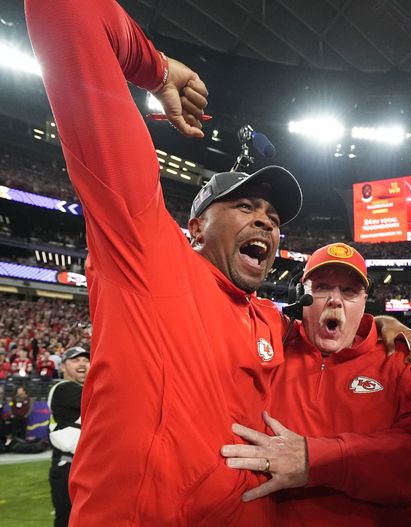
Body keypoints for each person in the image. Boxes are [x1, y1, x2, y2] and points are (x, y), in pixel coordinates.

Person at [26, 0, 302, 524]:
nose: (266, 221)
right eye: (245, 206)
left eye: (273, 216)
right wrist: (152, 67)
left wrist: (380, 326)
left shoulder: (271, 320)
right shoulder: (147, 251)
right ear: (196, 226)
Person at [221, 243, 411, 526]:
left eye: (349, 291)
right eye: (322, 287)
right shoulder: (271, 345)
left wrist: (314, 459)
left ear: (365, 300)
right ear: (300, 294)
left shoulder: (398, 359)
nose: (335, 300)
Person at [47, 346, 90, 527]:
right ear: (62, 367)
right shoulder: (63, 389)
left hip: (81, 466)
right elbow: (101, 398)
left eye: (85, 360)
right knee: (68, 520)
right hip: (69, 468)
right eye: (75, 360)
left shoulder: (82, 389)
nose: (82, 364)